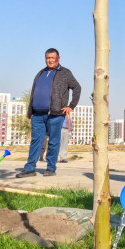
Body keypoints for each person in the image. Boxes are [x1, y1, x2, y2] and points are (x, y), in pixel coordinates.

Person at [17, 48, 81, 178]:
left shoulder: (65, 73)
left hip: (55, 114)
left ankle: (51, 168)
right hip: (37, 115)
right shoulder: (41, 73)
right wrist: (30, 110)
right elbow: (34, 92)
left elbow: (77, 87)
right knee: (35, 141)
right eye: (48, 58)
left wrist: (71, 106)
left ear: (58, 58)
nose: (50, 60)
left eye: (52, 58)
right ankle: (29, 168)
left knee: (53, 142)